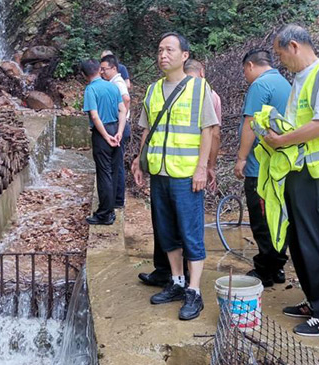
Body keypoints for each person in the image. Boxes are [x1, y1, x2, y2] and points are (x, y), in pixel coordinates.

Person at [263, 24, 319, 337]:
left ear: (295, 46)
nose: (280, 59)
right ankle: (315, 302)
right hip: (299, 171)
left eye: (281, 53)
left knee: (316, 242)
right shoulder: (300, 78)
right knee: (298, 240)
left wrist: (281, 141)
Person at [131, 32, 219, 321]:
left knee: (191, 233)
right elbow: (147, 129)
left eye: (169, 49)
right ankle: (177, 281)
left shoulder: (198, 88)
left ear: (184, 56)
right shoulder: (154, 90)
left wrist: (201, 168)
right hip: (160, 173)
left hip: (186, 175)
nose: (163, 55)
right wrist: (139, 160)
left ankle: (194, 290)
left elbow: (207, 130)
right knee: (166, 231)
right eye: (159, 50)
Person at [233, 48, 292, 288]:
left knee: (261, 220)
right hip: (281, 166)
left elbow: (251, 123)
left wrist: (241, 158)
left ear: (250, 66)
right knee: (278, 219)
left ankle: (266, 270)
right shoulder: (285, 83)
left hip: (261, 168)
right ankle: (276, 268)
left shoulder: (260, 85)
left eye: (245, 71)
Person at [81, 59, 126, 225]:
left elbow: (94, 116)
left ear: (84, 75)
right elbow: (122, 110)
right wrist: (120, 132)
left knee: (104, 173)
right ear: (99, 70)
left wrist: (106, 136)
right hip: (116, 128)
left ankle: (104, 214)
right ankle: (111, 210)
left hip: (102, 133)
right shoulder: (112, 86)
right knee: (113, 172)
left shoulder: (91, 89)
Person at [183, 59, 222, 189]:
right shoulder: (212, 95)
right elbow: (215, 134)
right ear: (201, 72)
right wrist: (210, 166)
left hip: (174, 162)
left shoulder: (173, 91)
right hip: (199, 161)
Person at [100, 54, 130, 209]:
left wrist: (122, 118)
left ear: (113, 68)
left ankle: (118, 201)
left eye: (104, 69)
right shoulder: (113, 82)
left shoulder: (117, 83)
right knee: (115, 164)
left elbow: (126, 99)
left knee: (117, 165)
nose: (102, 72)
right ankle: (117, 199)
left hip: (120, 127)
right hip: (120, 126)